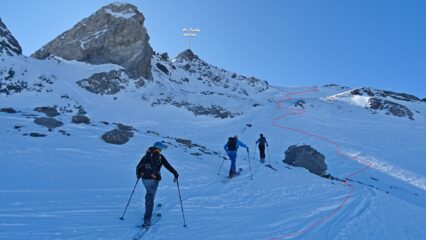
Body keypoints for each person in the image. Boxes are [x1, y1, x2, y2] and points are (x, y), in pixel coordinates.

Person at [136, 141, 179, 227]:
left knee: (148, 195)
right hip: (154, 179)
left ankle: (147, 212)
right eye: (162, 148)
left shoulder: (146, 155)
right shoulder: (159, 156)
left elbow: (139, 166)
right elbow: (168, 166)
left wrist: (138, 175)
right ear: (159, 148)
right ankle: (147, 220)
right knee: (151, 197)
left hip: (144, 179)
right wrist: (175, 173)